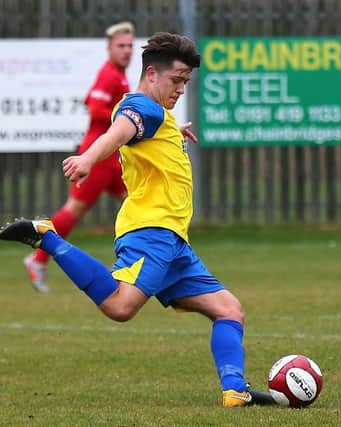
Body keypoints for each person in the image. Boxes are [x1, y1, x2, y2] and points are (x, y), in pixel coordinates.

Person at [0, 32, 275, 407]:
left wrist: (171, 131)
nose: (181, 89)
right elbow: (119, 131)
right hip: (151, 232)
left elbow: (141, 133)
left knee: (229, 309)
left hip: (174, 241)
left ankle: (235, 391)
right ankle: (47, 238)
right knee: (120, 306)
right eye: (176, 80)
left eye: (186, 83)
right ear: (151, 74)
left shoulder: (158, 116)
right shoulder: (140, 107)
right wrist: (87, 160)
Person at [24, 21, 135, 293]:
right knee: (75, 208)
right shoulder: (110, 75)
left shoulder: (117, 75)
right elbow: (96, 108)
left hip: (111, 155)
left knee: (134, 202)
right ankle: (38, 258)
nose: (127, 51)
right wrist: (123, 115)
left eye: (130, 45)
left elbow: (89, 99)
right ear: (109, 48)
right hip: (98, 155)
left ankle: (130, 260)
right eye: (120, 46)